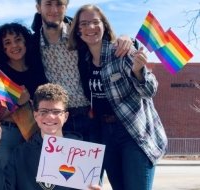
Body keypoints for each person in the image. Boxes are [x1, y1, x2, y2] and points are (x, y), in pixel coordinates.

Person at [67, 4, 168, 190]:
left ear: (104, 25)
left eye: (95, 22)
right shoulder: (84, 60)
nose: (90, 28)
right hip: (105, 133)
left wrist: (139, 72)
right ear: (78, 30)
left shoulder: (121, 51)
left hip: (133, 132)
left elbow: (149, 91)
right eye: (84, 24)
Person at [31, 0, 133, 143]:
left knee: (95, 165)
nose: (54, 9)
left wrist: (128, 39)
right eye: (48, 4)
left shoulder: (81, 35)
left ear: (66, 8)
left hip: (91, 115)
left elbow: (108, 41)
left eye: (59, 4)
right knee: (62, 165)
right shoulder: (32, 44)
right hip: (58, 119)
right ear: (38, 8)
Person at [0, 83, 101, 190]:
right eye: (44, 111)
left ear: (65, 116)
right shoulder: (20, 154)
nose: (50, 117)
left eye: (56, 112)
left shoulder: (83, 154)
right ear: (35, 115)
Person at [0, 22, 47, 169]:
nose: (14, 46)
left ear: (25, 41)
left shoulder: (36, 67)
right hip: (8, 133)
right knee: (6, 181)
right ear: (2, 48)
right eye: (7, 43)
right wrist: (17, 102)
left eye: (18, 40)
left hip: (37, 133)